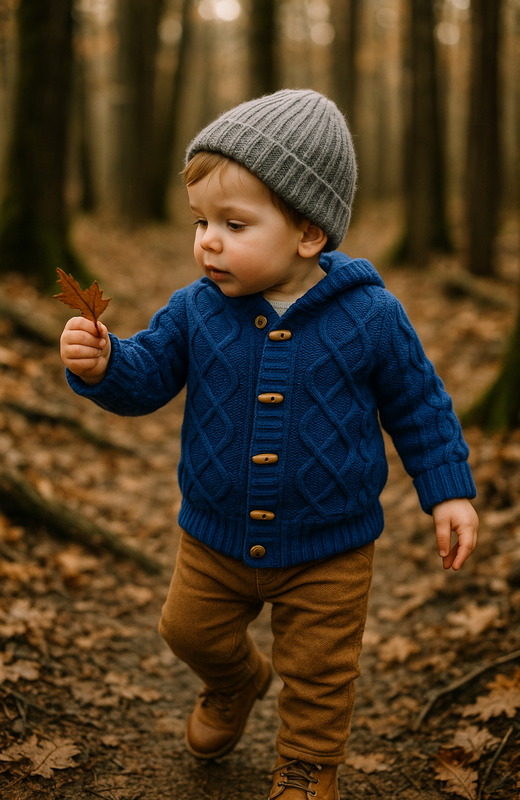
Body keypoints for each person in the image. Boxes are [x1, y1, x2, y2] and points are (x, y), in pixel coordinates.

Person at [60, 89, 478, 800]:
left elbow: (419, 404)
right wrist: (105, 366)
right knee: (186, 630)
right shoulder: (195, 308)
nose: (207, 241)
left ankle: (306, 770)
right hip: (213, 537)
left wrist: (449, 492)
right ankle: (236, 682)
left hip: (331, 545)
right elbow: (148, 376)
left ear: (308, 234)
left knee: (319, 670)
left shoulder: (372, 316)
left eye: (233, 223)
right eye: (200, 222)